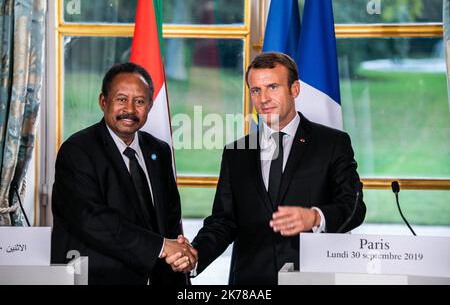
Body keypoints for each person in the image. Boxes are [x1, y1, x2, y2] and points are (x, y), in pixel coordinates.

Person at [167, 52, 366, 284]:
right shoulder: (236, 153)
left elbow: (353, 206)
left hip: (312, 277)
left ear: (295, 89)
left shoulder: (332, 143)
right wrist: (196, 254)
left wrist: (314, 217)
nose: (263, 98)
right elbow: (224, 221)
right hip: (250, 281)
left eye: (272, 87)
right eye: (256, 90)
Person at [51, 62, 196, 285]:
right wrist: (161, 247)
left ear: (149, 106)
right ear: (103, 101)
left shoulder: (159, 151)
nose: (129, 109)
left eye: (139, 101)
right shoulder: (77, 151)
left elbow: (170, 220)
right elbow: (92, 220)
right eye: (121, 99)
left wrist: (180, 257)